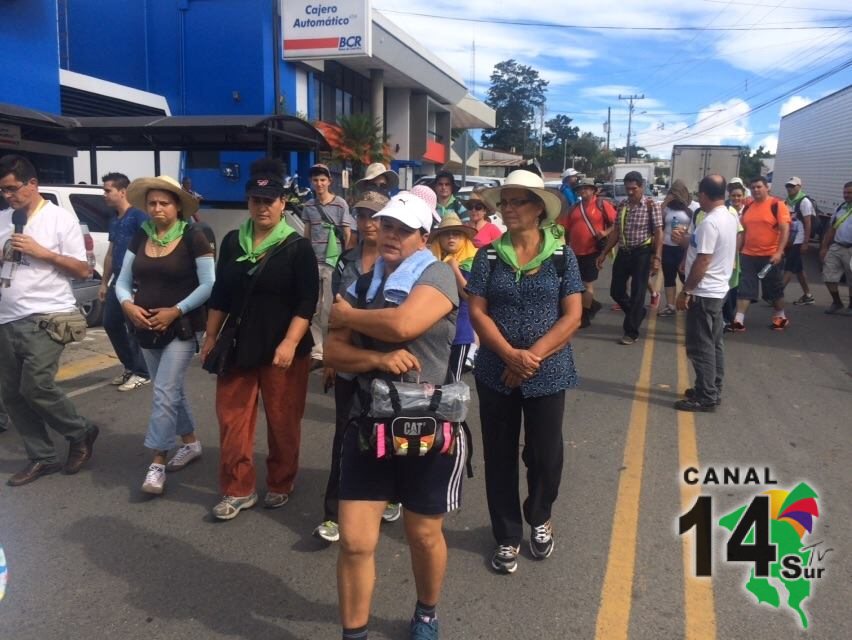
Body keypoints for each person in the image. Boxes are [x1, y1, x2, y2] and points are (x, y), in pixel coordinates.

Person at [324, 192, 462, 640]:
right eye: (386, 226)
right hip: (368, 422)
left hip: (424, 423)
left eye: (403, 229)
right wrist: (376, 361)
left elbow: (404, 325)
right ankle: (355, 633)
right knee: (355, 541)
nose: (391, 235)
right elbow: (333, 350)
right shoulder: (362, 282)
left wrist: (351, 316)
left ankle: (426, 611)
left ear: (424, 237)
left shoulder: (438, 275)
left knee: (422, 535)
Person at [467, 169, 583, 575]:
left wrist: (530, 356)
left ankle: (540, 515)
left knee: (545, 454)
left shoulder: (560, 255)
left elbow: (573, 315)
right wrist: (508, 355)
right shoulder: (489, 255)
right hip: (496, 371)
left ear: (538, 209)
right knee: (499, 455)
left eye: (518, 201)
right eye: (505, 202)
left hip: (548, 371)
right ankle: (506, 535)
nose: (508, 209)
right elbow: (477, 309)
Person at [201, 159, 318, 519]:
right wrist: (210, 337)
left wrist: (288, 343)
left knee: (283, 419)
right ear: (247, 202)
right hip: (238, 343)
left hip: (284, 346)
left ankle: (282, 480)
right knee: (232, 419)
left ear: (283, 202)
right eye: (256, 200)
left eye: (270, 200)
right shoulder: (235, 240)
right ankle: (238, 488)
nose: (262, 207)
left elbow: (307, 300)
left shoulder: (297, 247)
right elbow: (221, 293)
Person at [0, 154, 99, 487]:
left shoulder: (60, 220)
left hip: (47, 316)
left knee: (36, 386)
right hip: (6, 319)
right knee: (12, 395)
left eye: (13, 189)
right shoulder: (3, 219)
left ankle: (80, 431)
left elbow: (83, 270)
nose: (8, 196)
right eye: (3, 190)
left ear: (32, 184)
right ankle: (41, 456)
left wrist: (44, 253)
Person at [116, 176, 214, 495]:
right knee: (167, 390)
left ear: (177, 207)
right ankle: (191, 443)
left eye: (165, 203)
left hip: (180, 329)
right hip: (144, 327)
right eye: (153, 203)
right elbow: (122, 280)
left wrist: (176, 310)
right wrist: (127, 304)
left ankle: (157, 461)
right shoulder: (140, 237)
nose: (157, 209)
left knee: (164, 392)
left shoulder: (194, 236)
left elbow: (208, 284)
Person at [314, 191, 401, 543]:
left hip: (389, 366)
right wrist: (331, 360)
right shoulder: (345, 262)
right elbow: (333, 315)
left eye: (376, 217)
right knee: (345, 436)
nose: (369, 223)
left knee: (390, 434)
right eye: (363, 215)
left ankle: (392, 493)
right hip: (350, 362)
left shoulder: (400, 264)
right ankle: (334, 513)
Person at [672, 175, 738, 412]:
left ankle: (706, 395)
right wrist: (686, 240)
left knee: (701, 346)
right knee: (714, 342)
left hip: (704, 291)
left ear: (703, 194)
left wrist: (686, 291)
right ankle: (711, 386)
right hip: (719, 288)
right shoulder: (729, 216)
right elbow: (703, 247)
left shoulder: (710, 222)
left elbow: (704, 259)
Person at [596, 170, 663, 345]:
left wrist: (657, 258)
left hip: (642, 252)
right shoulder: (623, 205)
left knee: (637, 293)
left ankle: (631, 332)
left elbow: (658, 232)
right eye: (628, 189)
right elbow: (616, 231)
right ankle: (637, 313)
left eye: (634, 188)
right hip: (624, 252)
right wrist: (603, 253)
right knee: (616, 291)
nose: (630, 192)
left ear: (642, 187)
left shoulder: (650, 205)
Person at [100, 172, 151, 391]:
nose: (104, 195)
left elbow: (150, 244)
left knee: (134, 327)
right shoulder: (114, 220)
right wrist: (104, 282)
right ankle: (130, 366)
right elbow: (111, 253)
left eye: (107, 190)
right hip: (117, 280)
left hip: (135, 281)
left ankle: (142, 372)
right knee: (110, 322)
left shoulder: (139, 216)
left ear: (122, 192)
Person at [301, 163, 354, 367]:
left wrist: (344, 257)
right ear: (311, 182)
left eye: (323, 180)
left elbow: (347, 232)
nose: (319, 183)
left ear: (329, 182)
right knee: (313, 305)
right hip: (314, 261)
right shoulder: (308, 206)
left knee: (329, 307)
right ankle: (317, 351)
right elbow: (307, 233)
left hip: (333, 262)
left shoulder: (340, 204)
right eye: (315, 180)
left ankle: (331, 349)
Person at [733, 176, 791, 332]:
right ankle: (739, 321)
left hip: (770, 256)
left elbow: (785, 229)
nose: (755, 190)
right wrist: (737, 252)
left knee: (773, 290)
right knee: (745, 288)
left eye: (759, 186)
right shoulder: (748, 206)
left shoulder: (777, 205)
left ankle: (780, 317)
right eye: (753, 187)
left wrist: (779, 252)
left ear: (767, 188)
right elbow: (743, 232)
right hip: (748, 255)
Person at [557, 177, 615, 327]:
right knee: (576, 283)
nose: (583, 191)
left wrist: (605, 232)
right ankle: (592, 305)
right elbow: (566, 228)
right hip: (575, 251)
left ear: (593, 190)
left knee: (587, 282)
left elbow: (616, 223)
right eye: (581, 189)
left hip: (593, 249)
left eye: (586, 188)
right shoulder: (575, 208)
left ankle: (586, 314)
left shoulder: (602, 205)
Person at [429, 213, 477, 380]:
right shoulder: (430, 260)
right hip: (434, 331)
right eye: (446, 233)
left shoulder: (471, 262)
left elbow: (471, 296)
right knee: (434, 380)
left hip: (460, 332)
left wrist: (454, 269)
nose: (451, 237)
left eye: (456, 234)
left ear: (463, 238)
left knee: (453, 382)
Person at [656, 179, 693, 317]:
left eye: (678, 193)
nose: (675, 196)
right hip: (667, 246)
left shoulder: (691, 208)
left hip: (683, 248)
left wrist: (685, 231)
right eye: (673, 193)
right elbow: (657, 219)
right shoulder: (667, 208)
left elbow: (695, 225)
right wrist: (666, 201)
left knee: (685, 276)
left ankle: (689, 301)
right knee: (669, 276)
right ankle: (670, 305)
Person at [819, 181, 852, 315]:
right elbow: (832, 228)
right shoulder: (841, 207)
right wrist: (824, 247)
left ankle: (851, 305)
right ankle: (837, 302)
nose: (846, 195)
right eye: (845, 192)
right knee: (828, 276)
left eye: (849, 192)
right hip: (837, 246)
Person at [782, 177, 816, 306]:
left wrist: (806, 242)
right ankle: (808, 295)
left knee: (789, 267)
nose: (790, 188)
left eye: (793, 186)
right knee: (799, 269)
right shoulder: (787, 201)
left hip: (799, 240)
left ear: (799, 187)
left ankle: (777, 294)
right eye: (788, 186)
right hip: (791, 239)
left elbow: (808, 223)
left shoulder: (804, 201)